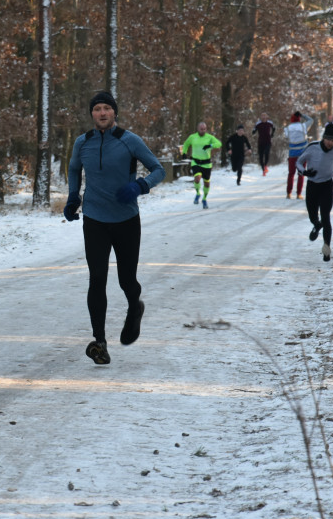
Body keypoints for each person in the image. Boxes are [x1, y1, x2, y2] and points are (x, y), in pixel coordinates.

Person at [64, 91, 166, 365]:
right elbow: (74, 169)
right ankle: (99, 341)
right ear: (92, 114)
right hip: (95, 218)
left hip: (126, 220)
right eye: (97, 108)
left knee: (126, 280)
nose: (102, 113)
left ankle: (135, 307)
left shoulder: (129, 140)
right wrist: (74, 197)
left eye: (106, 108)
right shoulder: (82, 142)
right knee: (97, 278)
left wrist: (139, 185)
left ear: (114, 113)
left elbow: (158, 169)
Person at [296, 122, 333, 262]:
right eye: (329, 139)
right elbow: (299, 162)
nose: (331, 143)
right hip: (312, 185)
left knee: (326, 217)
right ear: (324, 138)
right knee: (313, 215)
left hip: (326, 186)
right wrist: (305, 172)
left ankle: (326, 249)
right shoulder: (313, 148)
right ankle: (316, 225)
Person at [180, 121, 221, 209]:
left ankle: (204, 199)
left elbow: (219, 144)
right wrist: (184, 152)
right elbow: (186, 144)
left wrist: (210, 145)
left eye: (204, 129)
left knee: (207, 183)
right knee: (197, 178)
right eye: (201, 129)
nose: (203, 130)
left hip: (206, 163)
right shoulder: (192, 137)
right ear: (197, 129)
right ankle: (198, 193)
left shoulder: (209, 137)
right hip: (196, 162)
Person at [284, 111, 313, 199]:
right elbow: (311, 120)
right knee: (301, 174)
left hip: (292, 154)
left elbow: (286, 137)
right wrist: (303, 115)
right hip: (302, 154)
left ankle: (289, 193)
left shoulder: (287, 128)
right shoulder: (303, 126)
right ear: (299, 118)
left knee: (291, 174)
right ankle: (298, 194)